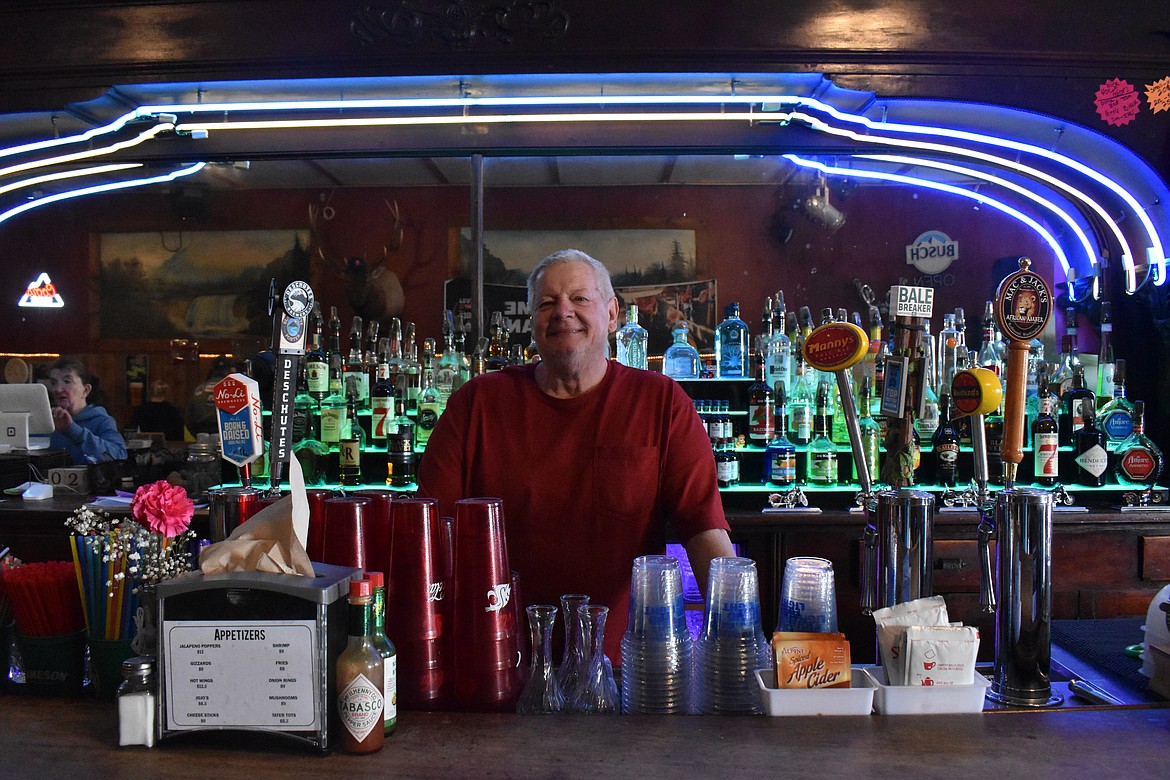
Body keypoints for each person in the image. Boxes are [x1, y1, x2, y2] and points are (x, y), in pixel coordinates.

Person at [418, 248, 735, 663]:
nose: (562, 311)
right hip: (496, 662)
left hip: (624, 670)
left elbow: (703, 529)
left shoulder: (661, 402)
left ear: (611, 314)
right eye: (547, 303)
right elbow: (427, 537)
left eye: (580, 299)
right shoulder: (475, 403)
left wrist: (738, 636)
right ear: (531, 321)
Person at [49, 357, 128, 464]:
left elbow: (119, 455)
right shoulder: (47, 423)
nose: (58, 389)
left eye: (67, 381)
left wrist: (74, 431)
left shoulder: (102, 421)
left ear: (86, 390)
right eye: (53, 383)